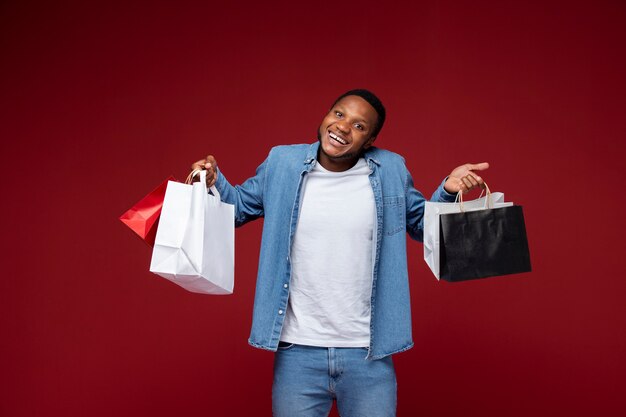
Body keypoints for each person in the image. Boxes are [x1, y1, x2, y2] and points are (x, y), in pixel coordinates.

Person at [190, 89, 488, 417]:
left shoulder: (390, 169)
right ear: (327, 115)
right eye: (340, 114)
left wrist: (447, 191)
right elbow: (237, 208)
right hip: (297, 353)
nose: (344, 127)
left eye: (360, 126)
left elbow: (421, 224)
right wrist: (212, 184)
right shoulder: (283, 163)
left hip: (368, 354)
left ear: (371, 139)